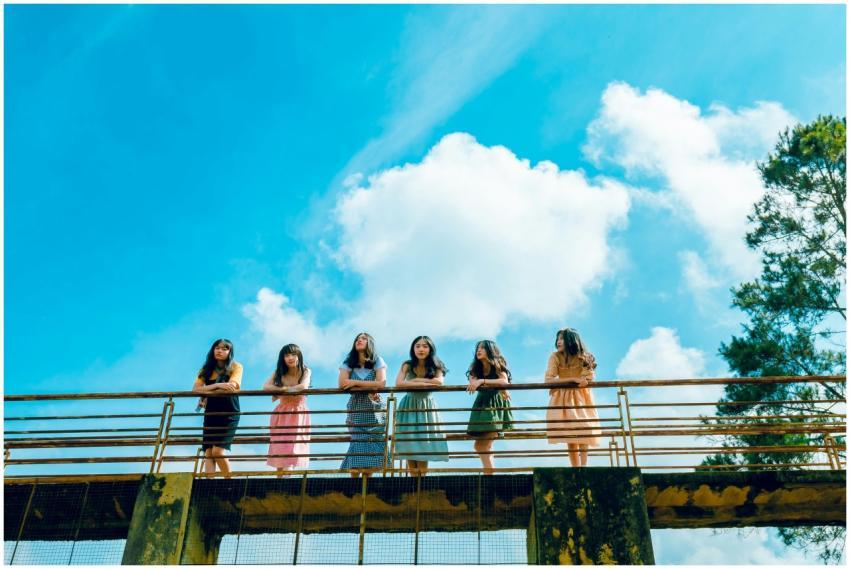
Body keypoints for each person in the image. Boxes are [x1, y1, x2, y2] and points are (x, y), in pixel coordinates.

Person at [393, 336, 450, 476]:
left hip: (426, 406)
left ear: (430, 349)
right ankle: (414, 483)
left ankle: (421, 482)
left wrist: (417, 380)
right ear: (413, 349)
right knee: (409, 441)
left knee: (424, 443)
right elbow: (399, 383)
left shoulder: (437, 365)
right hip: (409, 405)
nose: (421, 349)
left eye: (425, 346)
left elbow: (439, 382)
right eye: (417, 346)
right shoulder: (407, 364)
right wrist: (425, 382)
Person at [544, 328, 601, 467]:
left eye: (562, 338)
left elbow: (587, 378)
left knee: (584, 430)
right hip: (563, 398)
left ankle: (584, 467)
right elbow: (548, 380)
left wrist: (580, 380)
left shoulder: (585, 356)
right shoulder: (555, 356)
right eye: (557, 338)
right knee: (569, 433)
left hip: (581, 397)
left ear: (571, 340)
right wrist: (574, 379)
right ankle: (575, 468)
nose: (558, 341)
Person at [338, 332, 389, 477]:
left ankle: (366, 491)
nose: (359, 340)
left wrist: (354, 383)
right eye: (357, 339)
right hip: (356, 408)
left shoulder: (377, 360)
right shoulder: (348, 362)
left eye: (364, 338)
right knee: (357, 443)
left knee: (371, 446)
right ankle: (354, 487)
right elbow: (342, 384)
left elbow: (381, 384)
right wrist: (369, 386)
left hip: (374, 409)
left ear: (370, 343)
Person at [192, 338, 242, 476]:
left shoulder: (235, 366)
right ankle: (209, 485)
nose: (220, 351)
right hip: (211, 412)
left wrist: (207, 390)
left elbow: (231, 386)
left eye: (224, 349)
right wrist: (218, 385)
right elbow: (195, 390)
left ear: (230, 352)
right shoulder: (206, 369)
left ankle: (229, 482)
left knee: (217, 451)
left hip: (229, 412)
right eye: (217, 348)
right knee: (208, 452)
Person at [465, 340, 513, 474]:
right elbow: (472, 382)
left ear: (491, 351)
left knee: (482, 445)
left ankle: (490, 476)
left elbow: (504, 381)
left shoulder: (498, 365)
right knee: (485, 445)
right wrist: (478, 381)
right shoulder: (475, 368)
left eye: (483, 348)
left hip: (494, 404)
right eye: (477, 348)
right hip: (482, 405)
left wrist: (482, 381)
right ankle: (490, 474)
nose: (479, 350)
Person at [263, 344, 311, 475]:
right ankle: (279, 485)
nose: (290, 358)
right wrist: (284, 390)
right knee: (280, 449)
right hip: (281, 414)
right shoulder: (279, 372)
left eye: (293, 354)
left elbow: (303, 386)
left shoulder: (305, 371)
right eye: (287, 355)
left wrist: (282, 391)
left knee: (292, 449)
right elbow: (266, 387)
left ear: (299, 356)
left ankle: (286, 484)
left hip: (298, 414)